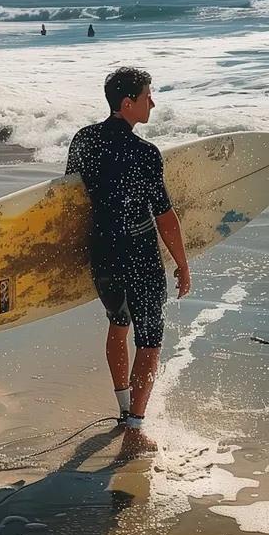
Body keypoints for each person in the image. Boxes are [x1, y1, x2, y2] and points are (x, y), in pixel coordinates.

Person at [66, 67, 190, 459]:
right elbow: (165, 218)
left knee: (118, 324)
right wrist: (183, 264)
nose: (152, 102)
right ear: (127, 104)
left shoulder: (84, 140)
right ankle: (134, 427)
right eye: (147, 96)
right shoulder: (144, 154)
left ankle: (123, 410)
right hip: (138, 254)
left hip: (101, 252)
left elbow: (68, 201)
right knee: (149, 342)